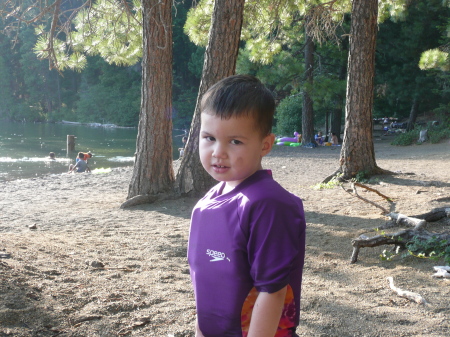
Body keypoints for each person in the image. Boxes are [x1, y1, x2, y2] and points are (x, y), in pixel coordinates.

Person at [188, 75, 306, 337]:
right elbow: (204, 287)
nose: (218, 152)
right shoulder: (206, 204)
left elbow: (272, 291)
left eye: (235, 141)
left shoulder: (268, 205)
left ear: (265, 144)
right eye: (209, 137)